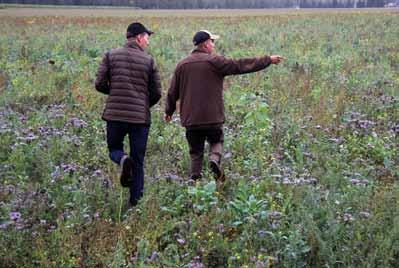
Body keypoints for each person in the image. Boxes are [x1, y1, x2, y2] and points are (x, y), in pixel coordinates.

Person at [165, 30, 284, 182]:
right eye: (212, 42)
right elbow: (241, 65)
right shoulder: (215, 61)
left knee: (195, 151)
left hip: (191, 119)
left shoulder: (182, 65)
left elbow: (172, 92)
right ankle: (214, 159)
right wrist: (268, 60)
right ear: (206, 44)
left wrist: (168, 111)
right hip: (212, 117)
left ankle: (194, 180)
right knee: (217, 141)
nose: (213, 45)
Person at [95, 22, 162, 206]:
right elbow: (157, 92)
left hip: (115, 116)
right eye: (147, 38)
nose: (147, 42)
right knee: (138, 161)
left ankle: (122, 159)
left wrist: (116, 94)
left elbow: (99, 83)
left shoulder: (110, 55)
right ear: (139, 37)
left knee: (114, 149)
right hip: (140, 118)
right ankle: (135, 203)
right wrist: (142, 103)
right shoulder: (149, 61)